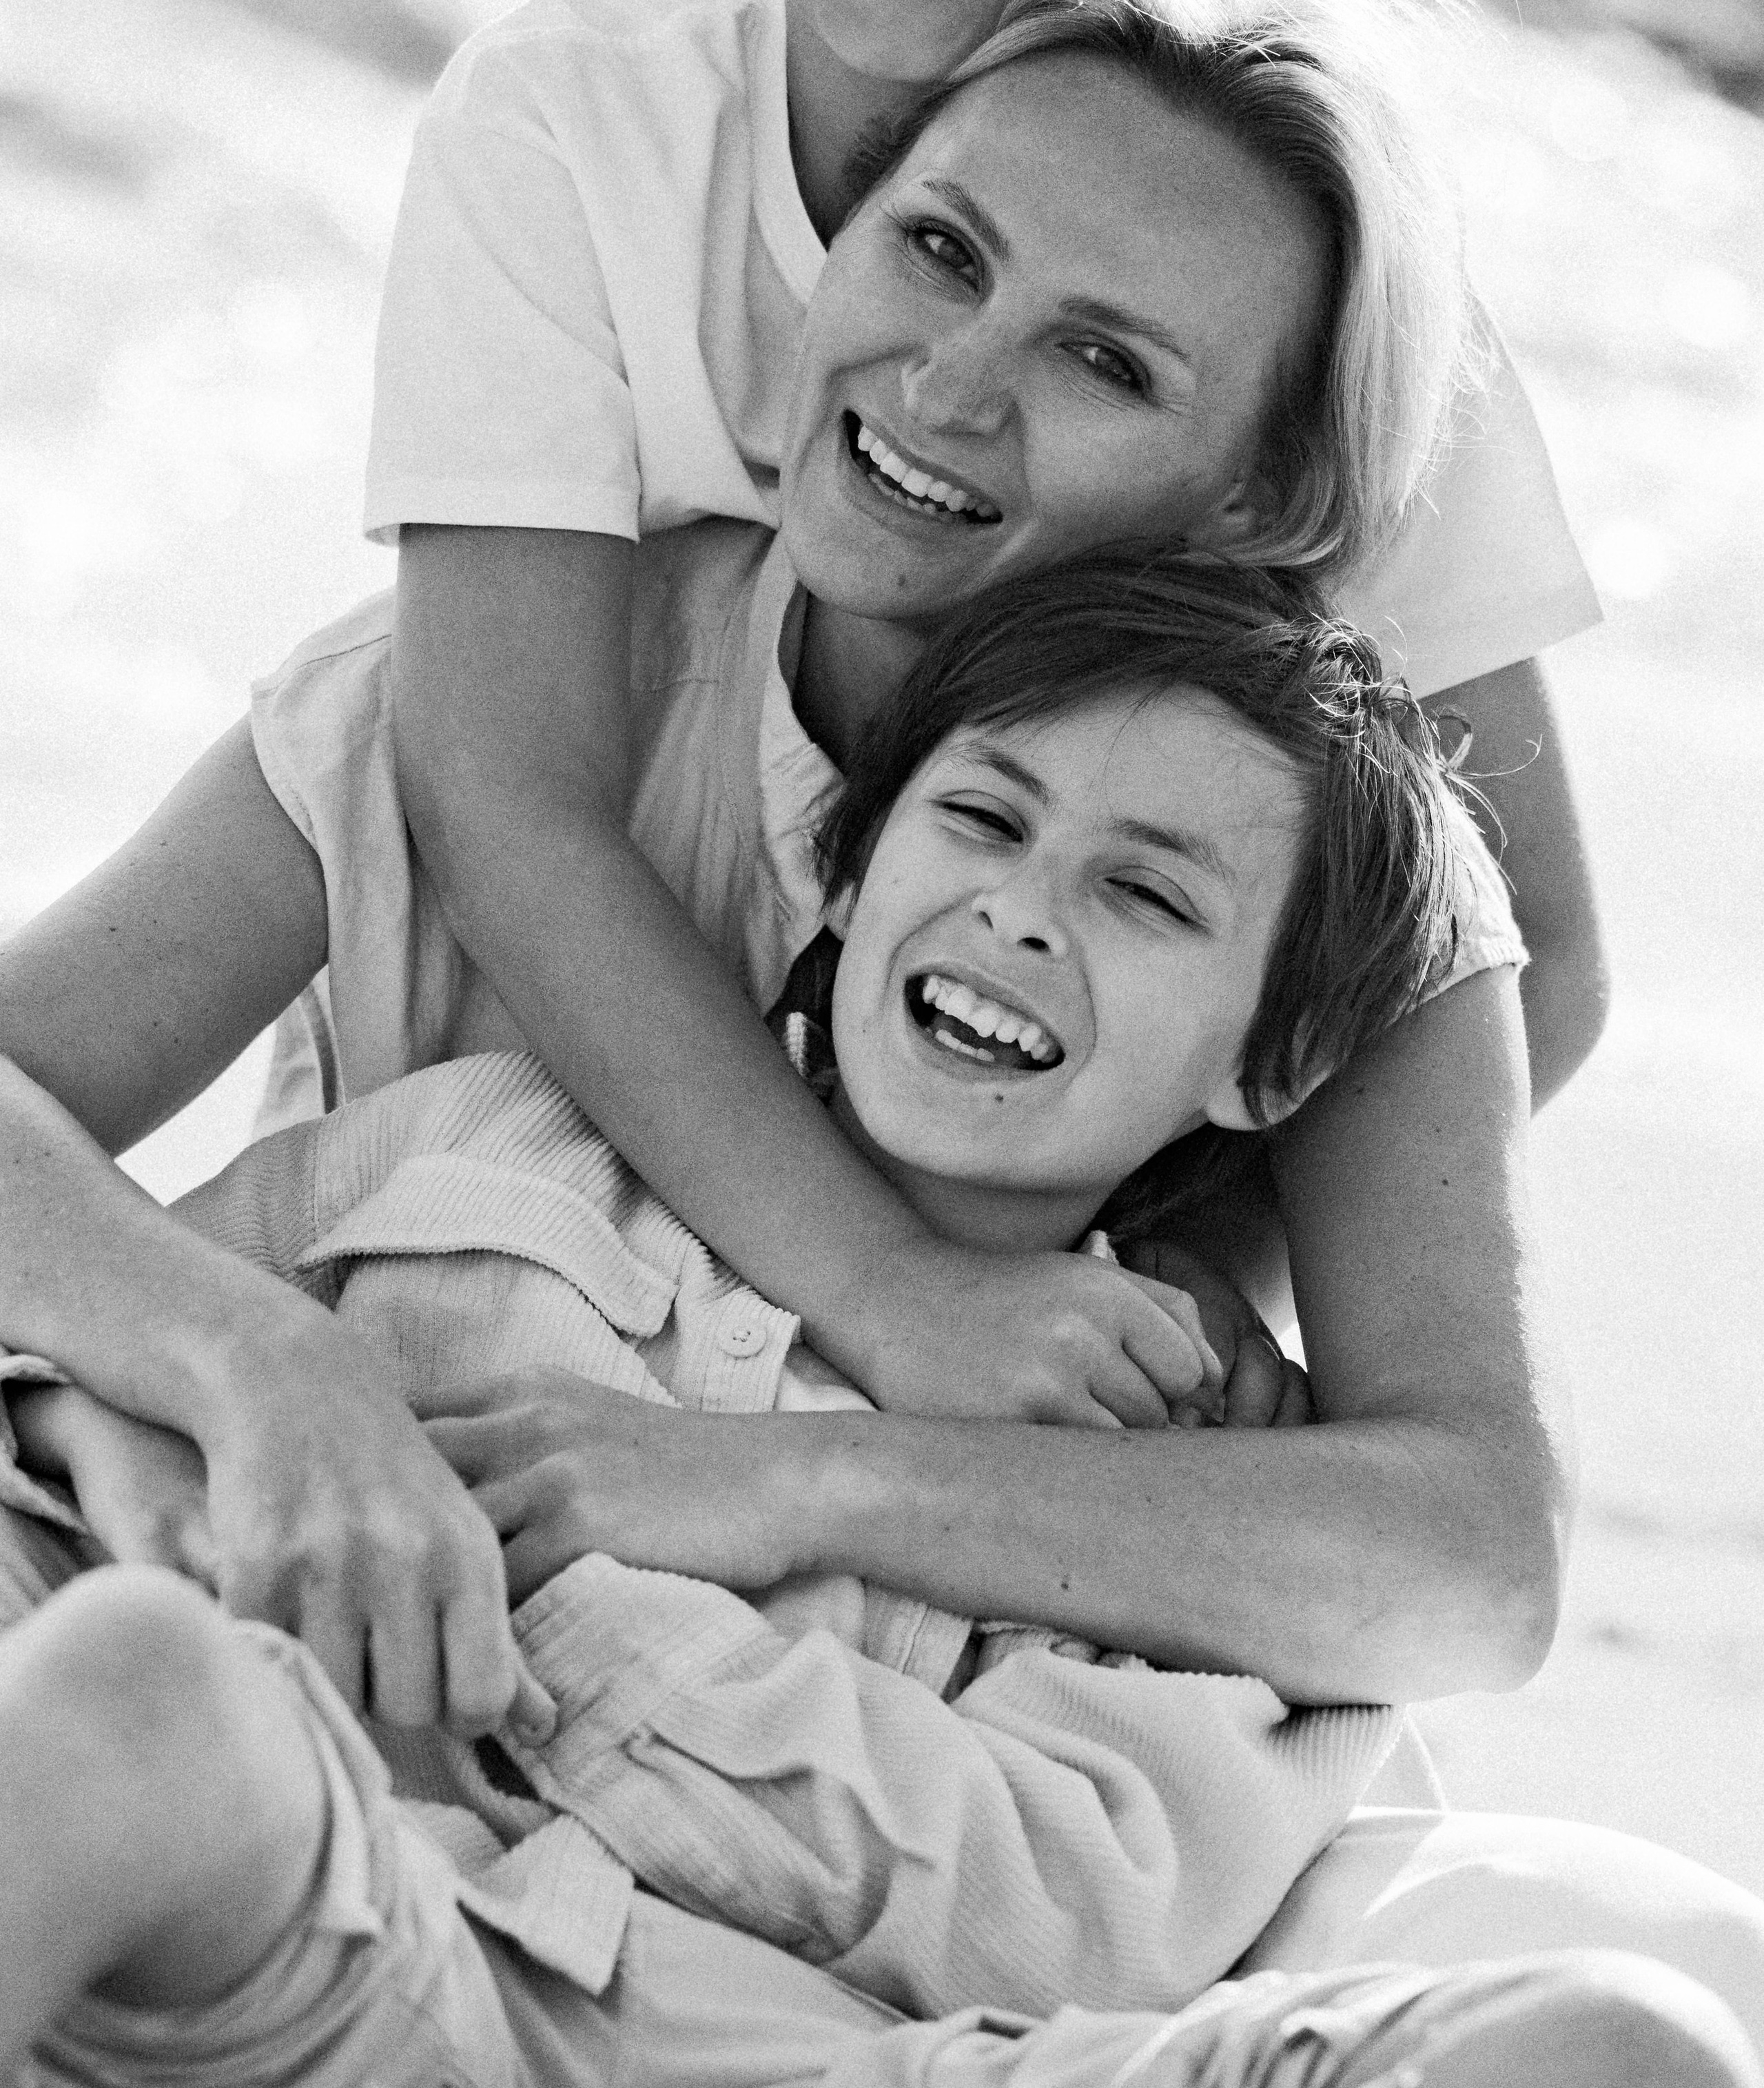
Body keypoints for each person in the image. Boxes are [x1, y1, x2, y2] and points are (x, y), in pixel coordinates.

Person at [6, 0, 1764, 2057]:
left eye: (1107, 360)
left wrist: (795, 1474)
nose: (946, 385)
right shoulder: (504, 733)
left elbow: (1470, 1559)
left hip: (838, 1943)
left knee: (1639, 2015)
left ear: (1260, 494)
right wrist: (253, 1376)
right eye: (938, 248)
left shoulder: (1326, 895)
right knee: (131, 1690)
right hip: (330, 1829)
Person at [1, 555, 1752, 2088]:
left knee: (1621, 2045)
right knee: (139, 1680)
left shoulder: (1204, 1473)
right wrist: (131, 1429)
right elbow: (70, 1371)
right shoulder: (477, 1143)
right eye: (982, 819)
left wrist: (554, 1592)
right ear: (843, 877)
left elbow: (1044, 1924)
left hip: (826, 2058)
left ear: (1270, 1065)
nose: (1018, 911)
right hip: (343, 1933)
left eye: (1144, 894)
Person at [361, 0, 1606, 1486]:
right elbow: (505, 797)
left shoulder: (1316, 253)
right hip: (542, 1176)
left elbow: (1515, 929)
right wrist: (882, 1287)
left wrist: (1152, 1273)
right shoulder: (575, 127)